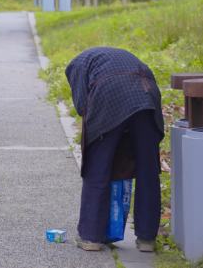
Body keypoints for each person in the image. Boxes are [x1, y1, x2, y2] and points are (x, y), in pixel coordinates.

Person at [65, 47, 165, 252]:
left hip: (109, 94)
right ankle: (147, 239)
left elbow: (82, 105)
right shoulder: (117, 58)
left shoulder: (75, 66)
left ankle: (91, 237)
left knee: (98, 165)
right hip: (146, 94)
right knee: (148, 168)